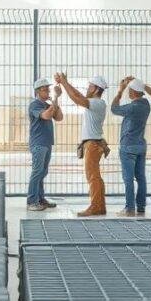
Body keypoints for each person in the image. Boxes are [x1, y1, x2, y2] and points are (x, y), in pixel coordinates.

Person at [55, 73, 109, 217]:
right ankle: (99, 206)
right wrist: (65, 82)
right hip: (93, 144)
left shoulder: (97, 103)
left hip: (92, 144)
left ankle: (96, 207)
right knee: (95, 176)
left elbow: (76, 99)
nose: (88, 88)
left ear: (97, 89)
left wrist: (64, 83)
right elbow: (78, 95)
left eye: (90, 86)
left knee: (93, 177)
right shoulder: (95, 102)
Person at [111, 76, 150, 216]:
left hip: (128, 146)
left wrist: (120, 90)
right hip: (141, 145)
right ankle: (141, 207)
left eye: (129, 90)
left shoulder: (133, 107)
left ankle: (129, 208)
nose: (128, 92)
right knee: (141, 177)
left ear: (133, 92)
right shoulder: (146, 104)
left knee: (128, 179)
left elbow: (114, 109)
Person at [26, 77, 63, 211]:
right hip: (39, 143)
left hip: (47, 143)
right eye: (44, 89)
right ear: (37, 91)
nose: (47, 91)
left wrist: (56, 99)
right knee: (37, 172)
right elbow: (46, 116)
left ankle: (40, 199)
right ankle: (32, 201)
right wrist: (54, 102)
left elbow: (59, 117)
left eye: (48, 88)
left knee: (42, 172)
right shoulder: (35, 105)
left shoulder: (48, 105)